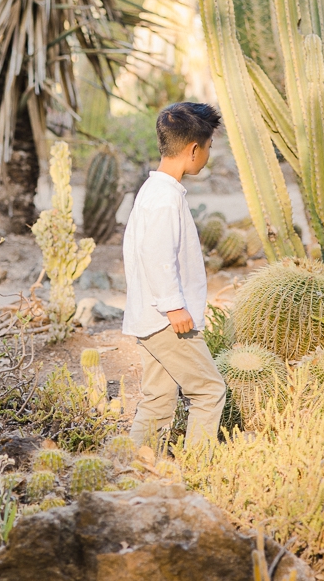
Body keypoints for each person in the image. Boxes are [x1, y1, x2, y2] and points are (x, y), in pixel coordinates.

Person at [122, 101, 228, 447]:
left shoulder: (153, 191)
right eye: (209, 147)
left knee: (157, 400)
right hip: (167, 319)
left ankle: (131, 471)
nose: (208, 154)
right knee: (209, 391)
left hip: (149, 317)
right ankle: (198, 472)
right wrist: (174, 306)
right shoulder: (165, 199)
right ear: (194, 149)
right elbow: (157, 255)